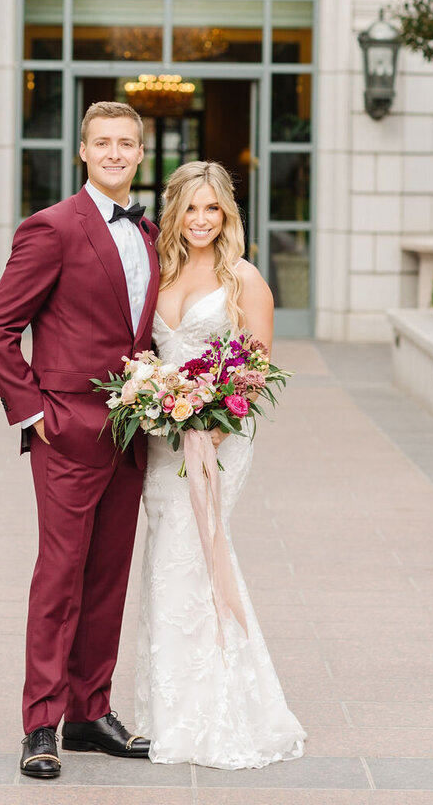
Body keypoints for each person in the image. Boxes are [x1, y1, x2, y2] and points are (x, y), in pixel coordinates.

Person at [0, 101, 160, 780]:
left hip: (134, 433)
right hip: (68, 430)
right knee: (59, 578)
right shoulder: (51, 228)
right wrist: (34, 413)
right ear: (83, 151)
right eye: (103, 142)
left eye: (127, 143)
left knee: (108, 577)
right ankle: (40, 725)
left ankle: (89, 711)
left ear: (141, 153)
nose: (115, 153)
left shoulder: (149, 234)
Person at [135, 160, 306, 769]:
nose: (202, 220)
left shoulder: (244, 278)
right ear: (174, 211)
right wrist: (154, 398)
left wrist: (207, 416)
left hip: (221, 438)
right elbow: (144, 354)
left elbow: (255, 371)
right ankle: (169, 706)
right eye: (191, 208)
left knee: (195, 550)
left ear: (227, 215)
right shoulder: (160, 272)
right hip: (162, 438)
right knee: (165, 560)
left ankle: (215, 712)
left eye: (214, 209)